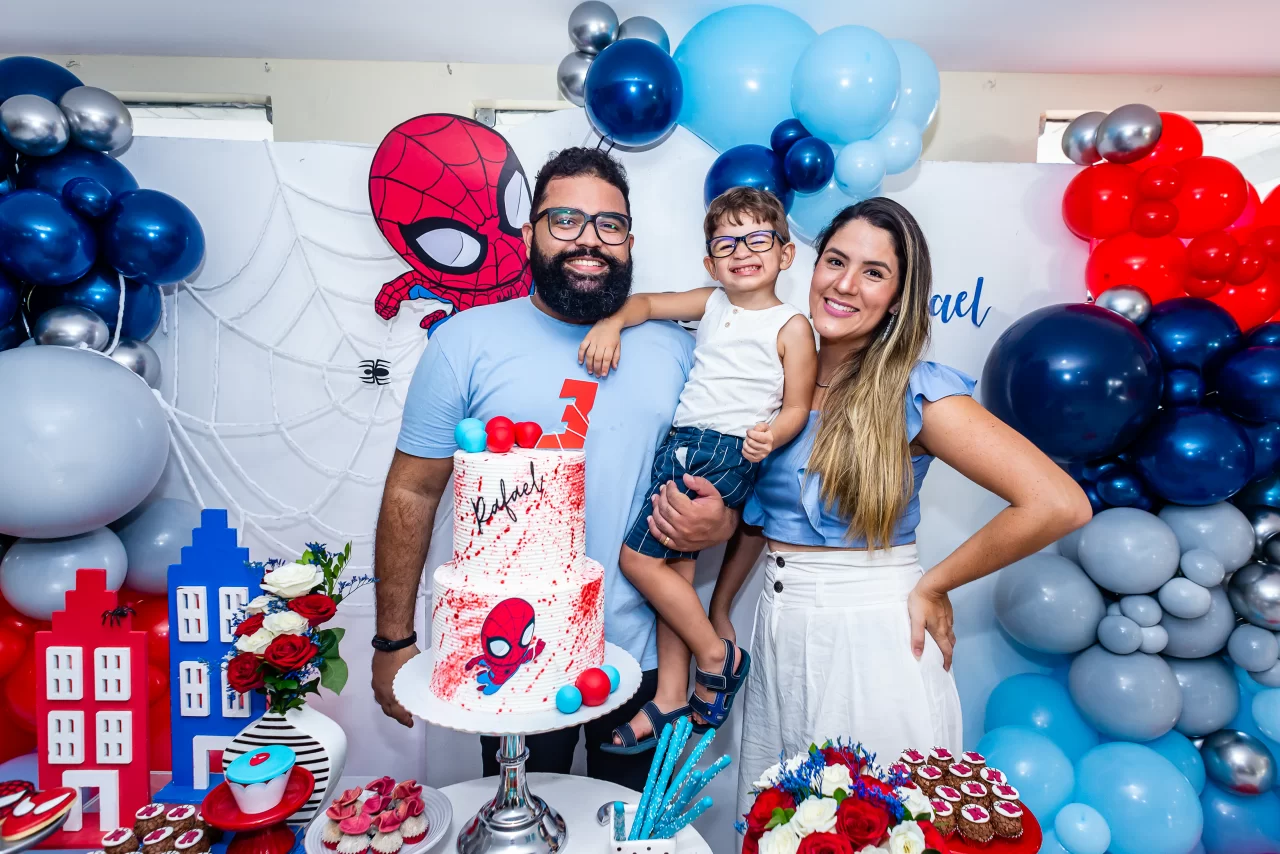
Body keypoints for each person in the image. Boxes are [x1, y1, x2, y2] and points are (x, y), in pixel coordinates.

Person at [647, 198, 1092, 819]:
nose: (845, 284)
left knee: (871, 828)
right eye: (835, 261)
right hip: (778, 629)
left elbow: (1057, 503)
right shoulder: (778, 376)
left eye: (874, 272)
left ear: (899, 297)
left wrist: (935, 584)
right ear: (810, 265)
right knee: (784, 827)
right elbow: (763, 514)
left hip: (871, 635)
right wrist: (720, 607)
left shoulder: (915, 390)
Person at [368, 147, 737, 789]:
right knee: (524, 822)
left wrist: (721, 521)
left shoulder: (682, 350)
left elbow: (731, 480)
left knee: (635, 830)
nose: (588, 240)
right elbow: (412, 491)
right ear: (528, 233)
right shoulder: (464, 341)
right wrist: (392, 640)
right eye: (565, 220)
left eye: (609, 224)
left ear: (630, 242)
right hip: (513, 652)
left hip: (651, 660)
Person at [578, 188, 816, 752]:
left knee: (639, 559)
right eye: (726, 244)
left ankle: (715, 655)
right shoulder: (711, 303)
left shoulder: (791, 326)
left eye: (757, 240)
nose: (742, 252)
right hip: (682, 444)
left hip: (725, 451)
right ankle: (670, 694)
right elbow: (645, 304)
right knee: (675, 574)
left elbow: (798, 405)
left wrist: (772, 434)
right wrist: (612, 325)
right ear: (710, 263)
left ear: (785, 254)